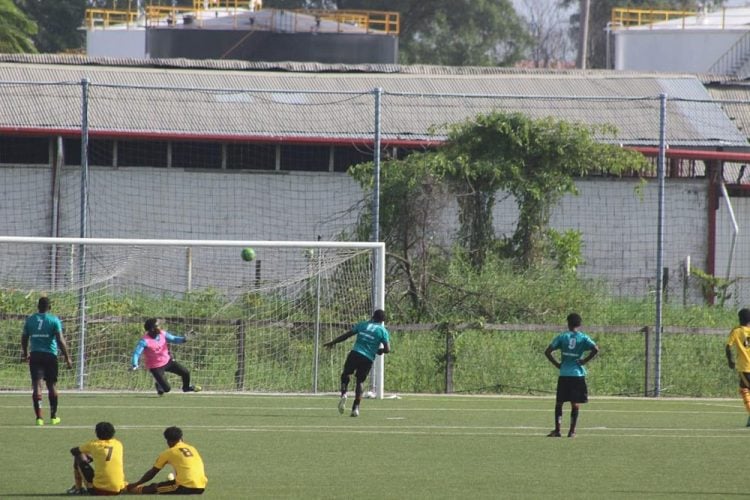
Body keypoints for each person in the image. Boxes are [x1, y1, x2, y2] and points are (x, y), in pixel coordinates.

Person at [323, 309, 390, 417]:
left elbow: (347, 335)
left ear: (372, 316)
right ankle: (355, 408)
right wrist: (379, 351)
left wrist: (333, 342)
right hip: (368, 358)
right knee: (360, 382)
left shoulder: (362, 325)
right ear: (382, 320)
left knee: (346, 374)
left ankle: (344, 393)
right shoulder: (383, 331)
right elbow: (387, 349)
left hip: (355, 353)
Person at [544, 312, 599, 438]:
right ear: (579, 324)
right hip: (577, 374)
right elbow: (596, 348)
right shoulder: (583, 337)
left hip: (564, 374)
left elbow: (547, 352)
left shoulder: (562, 337)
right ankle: (572, 432)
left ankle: (557, 430)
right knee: (575, 403)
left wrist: (557, 364)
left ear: (568, 323)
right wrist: (584, 361)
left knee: (559, 402)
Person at [21, 296, 73, 426]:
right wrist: (67, 358)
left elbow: (24, 337)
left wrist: (25, 353)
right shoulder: (53, 320)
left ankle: (39, 418)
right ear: (49, 307)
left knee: (37, 386)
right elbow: (60, 340)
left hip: (35, 355)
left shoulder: (30, 320)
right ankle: (53, 417)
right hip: (50, 356)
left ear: (38, 307)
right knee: (51, 385)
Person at [127, 426, 207, 495]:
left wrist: (136, 484)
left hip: (185, 487)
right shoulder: (192, 448)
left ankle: (129, 488)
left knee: (154, 487)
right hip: (201, 487)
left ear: (169, 441)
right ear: (181, 438)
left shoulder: (169, 452)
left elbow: (153, 472)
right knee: (170, 481)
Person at [131, 318, 201, 395]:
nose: (160, 327)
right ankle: (159, 385)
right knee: (167, 389)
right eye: (158, 326)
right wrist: (135, 364)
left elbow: (174, 339)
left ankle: (186, 387)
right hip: (155, 367)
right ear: (152, 329)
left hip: (168, 361)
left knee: (185, 372)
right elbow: (136, 353)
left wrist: (184, 339)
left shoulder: (162, 334)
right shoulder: (144, 341)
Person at [67, 421, 127, 496]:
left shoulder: (94, 444)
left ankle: (78, 488)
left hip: (99, 490)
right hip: (119, 489)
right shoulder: (118, 444)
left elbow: (74, 451)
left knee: (79, 455)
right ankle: (77, 488)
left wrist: (88, 457)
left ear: (96, 433)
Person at [725, 308, 750, 426]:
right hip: (745, 368)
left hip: (745, 367)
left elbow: (728, 346)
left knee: (745, 390)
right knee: (744, 389)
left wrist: (730, 361)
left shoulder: (736, 331)